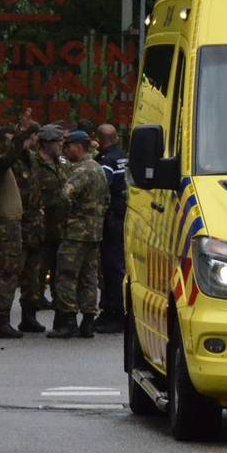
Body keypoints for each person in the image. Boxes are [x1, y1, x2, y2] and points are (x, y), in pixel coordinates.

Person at [0, 111, 38, 339]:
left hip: (4, 225)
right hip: (6, 226)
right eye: (8, 140)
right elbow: (8, 158)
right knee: (6, 272)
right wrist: (22, 137)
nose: (12, 144)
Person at [47, 130, 109, 339]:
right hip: (94, 232)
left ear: (78, 146)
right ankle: (88, 322)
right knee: (89, 278)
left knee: (66, 276)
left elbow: (65, 196)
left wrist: (68, 214)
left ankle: (68, 322)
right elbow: (106, 200)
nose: (66, 150)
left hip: (76, 233)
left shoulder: (82, 170)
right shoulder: (98, 168)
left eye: (68, 147)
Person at [17, 123, 67, 332]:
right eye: (58, 142)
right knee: (34, 277)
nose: (61, 145)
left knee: (60, 275)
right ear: (47, 143)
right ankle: (28, 316)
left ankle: (61, 317)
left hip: (59, 229)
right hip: (39, 230)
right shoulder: (33, 162)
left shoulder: (58, 163)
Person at [93, 124, 127, 333]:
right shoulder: (124, 157)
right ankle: (117, 310)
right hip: (124, 216)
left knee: (111, 267)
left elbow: (101, 186)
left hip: (112, 219)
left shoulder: (107, 161)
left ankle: (113, 313)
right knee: (119, 266)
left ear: (100, 139)